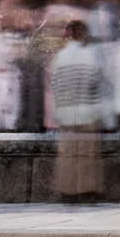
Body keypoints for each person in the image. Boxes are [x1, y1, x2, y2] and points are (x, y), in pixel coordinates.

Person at [48, 21, 111, 202]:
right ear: (84, 35)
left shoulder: (59, 57)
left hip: (65, 113)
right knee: (88, 154)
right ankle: (87, 192)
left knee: (67, 154)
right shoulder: (90, 55)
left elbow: (55, 84)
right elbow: (97, 80)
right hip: (87, 112)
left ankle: (67, 193)